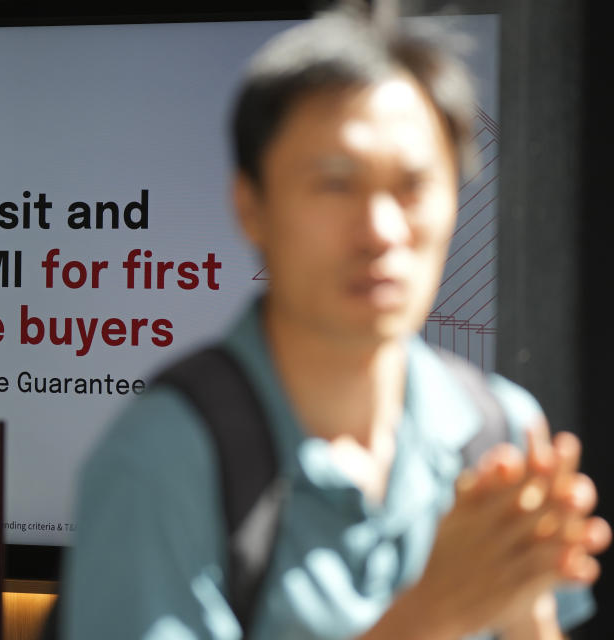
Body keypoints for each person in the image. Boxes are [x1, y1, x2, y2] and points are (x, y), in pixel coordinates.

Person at [60, 10, 610, 640]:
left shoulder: (501, 433)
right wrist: (434, 615)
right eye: (336, 184)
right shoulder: (164, 462)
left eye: (412, 186)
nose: (381, 231)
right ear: (251, 206)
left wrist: (523, 609)